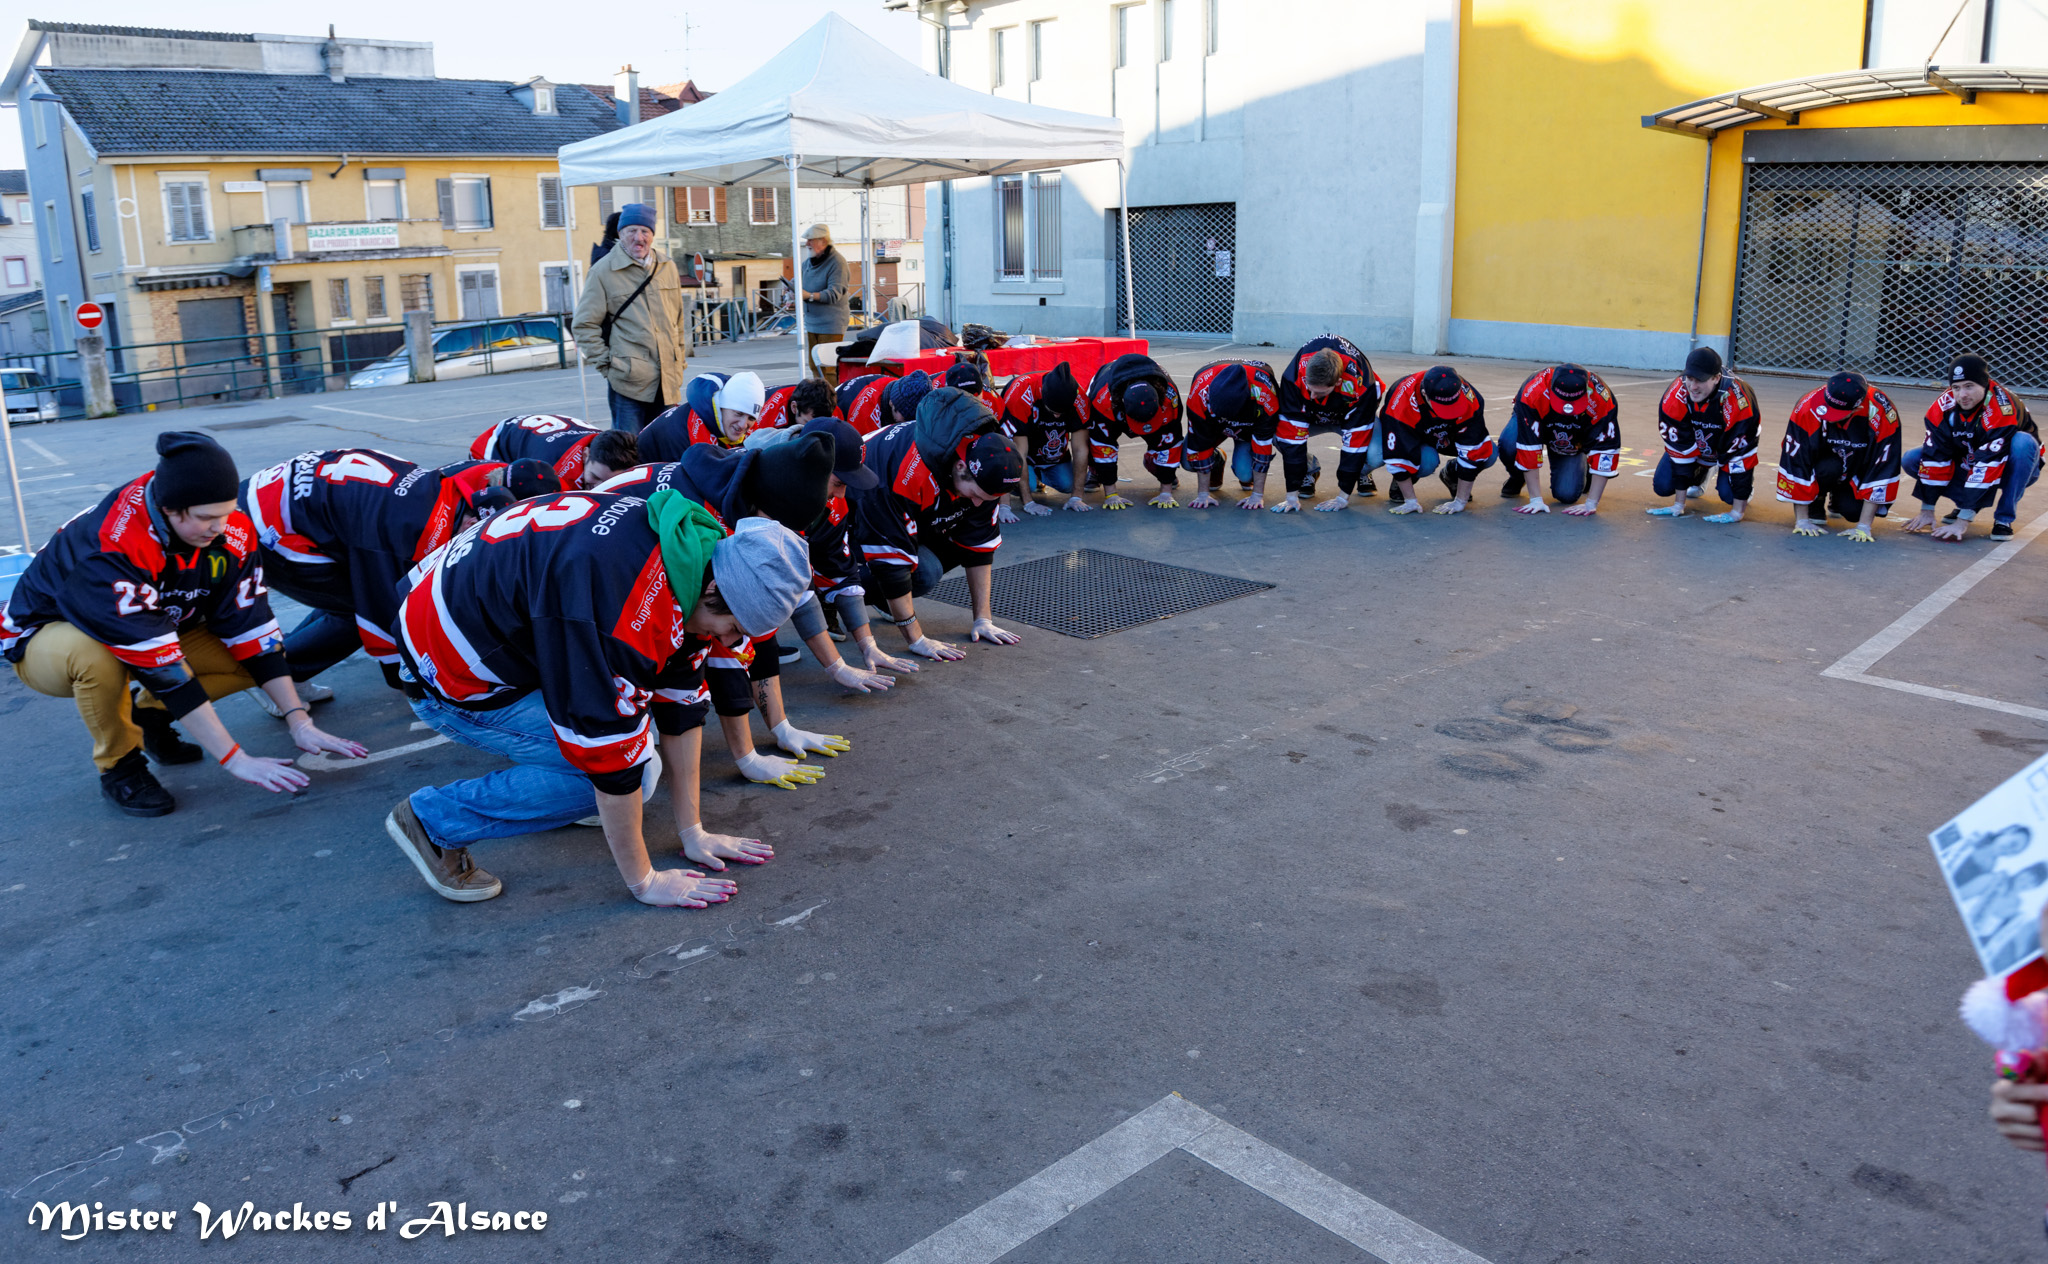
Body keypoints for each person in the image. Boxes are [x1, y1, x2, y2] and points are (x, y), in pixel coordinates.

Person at [389, 489, 814, 907]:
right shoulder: (621, 610)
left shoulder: (697, 553)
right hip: (448, 670)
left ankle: (554, 786)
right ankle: (433, 820)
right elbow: (610, 757)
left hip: (471, 611)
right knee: (627, 772)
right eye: (737, 627)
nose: (732, 640)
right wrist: (645, 881)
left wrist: (693, 832)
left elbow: (682, 707)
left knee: (632, 748)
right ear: (716, 594)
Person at [1, 433, 365, 816]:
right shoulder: (113, 545)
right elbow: (163, 668)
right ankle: (120, 766)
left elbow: (254, 631)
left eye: (226, 513)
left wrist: (299, 720)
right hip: (47, 636)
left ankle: (151, 716)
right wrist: (235, 758)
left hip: (149, 623)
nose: (220, 528)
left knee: (252, 657)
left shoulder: (229, 527)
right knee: (96, 658)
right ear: (168, 509)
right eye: (206, 518)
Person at [240, 448, 559, 691]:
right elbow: (379, 616)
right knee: (356, 613)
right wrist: (409, 678)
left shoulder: (473, 478)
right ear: (470, 522)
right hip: (268, 525)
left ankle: (282, 661)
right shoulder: (403, 533)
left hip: (281, 492)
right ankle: (274, 676)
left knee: (344, 597)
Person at [851, 387, 1026, 659]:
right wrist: (917, 639)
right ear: (959, 467)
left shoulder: (986, 465)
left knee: (943, 555)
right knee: (912, 573)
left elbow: (979, 546)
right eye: (977, 495)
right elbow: (892, 567)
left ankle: (889, 601)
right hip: (855, 511)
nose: (980, 503)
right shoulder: (905, 477)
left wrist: (983, 619)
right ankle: (829, 595)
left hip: (918, 501)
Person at [570, 202, 685, 434]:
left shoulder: (668, 267)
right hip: (628, 384)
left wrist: (680, 360)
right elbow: (584, 325)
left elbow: (679, 320)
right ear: (620, 234)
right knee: (628, 452)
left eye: (645, 231)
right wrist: (609, 366)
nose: (638, 238)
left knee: (666, 447)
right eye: (631, 231)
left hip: (669, 381)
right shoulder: (603, 271)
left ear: (652, 235)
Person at [1902, 355, 2041, 543]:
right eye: (1956, 388)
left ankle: (2003, 519)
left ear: (1984, 384)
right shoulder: (1942, 406)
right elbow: (1934, 456)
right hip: (1970, 459)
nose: (1962, 395)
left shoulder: (2002, 406)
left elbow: (1990, 462)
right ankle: (1963, 503)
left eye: (1969, 386)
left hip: (2013, 466)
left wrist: (1962, 521)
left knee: (2022, 442)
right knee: (1912, 458)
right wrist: (1927, 509)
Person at [1777, 371, 1902, 543]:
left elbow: (1882, 468)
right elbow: (1796, 461)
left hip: (1858, 469)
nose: (1829, 415)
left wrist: (1864, 527)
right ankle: (1816, 501)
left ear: (1857, 408)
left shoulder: (1882, 412)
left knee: (1854, 513)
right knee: (1826, 469)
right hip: (1825, 466)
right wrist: (1802, 521)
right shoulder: (1808, 406)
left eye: (1836, 413)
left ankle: (1838, 498)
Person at [1647, 346, 1763, 524]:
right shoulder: (1675, 396)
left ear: (1716, 378)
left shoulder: (1740, 400)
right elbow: (1680, 449)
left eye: (1700, 381)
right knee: (1663, 486)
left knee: (1731, 495)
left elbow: (1741, 453)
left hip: (1727, 448)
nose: (1693, 387)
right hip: (1698, 444)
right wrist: (1679, 505)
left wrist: (1737, 513)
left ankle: (1733, 480)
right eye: (1689, 378)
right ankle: (1702, 473)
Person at [1274, 337, 1384, 513]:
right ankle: (1307, 470)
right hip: (1312, 417)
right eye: (1309, 388)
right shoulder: (1293, 377)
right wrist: (1291, 497)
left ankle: (1361, 472)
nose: (1311, 395)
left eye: (1319, 392)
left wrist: (1342, 497)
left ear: (1338, 383)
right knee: (1278, 434)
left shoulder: (1362, 385)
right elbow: (1291, 439)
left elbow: (1356, 443)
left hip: (1347, 417)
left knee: (1377, 454)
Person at [1498, 363, 1622, 516]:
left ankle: (1586, 463)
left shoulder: (1602, 399)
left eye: (1574, 403)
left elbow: (1607, 449)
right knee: (1509, 443)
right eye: (1563, 401)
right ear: (1550, 388)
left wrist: (1591, 503)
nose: (1567, 408)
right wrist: (1535, 499)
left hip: (1574, 434)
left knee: (1567, 495)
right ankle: (1518, 476)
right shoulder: (1533, 391)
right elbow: (1528, 444)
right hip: (1540, 419)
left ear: (1587, 392)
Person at [1374, 366, 1497, 515]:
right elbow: (1397, 455)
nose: (1450, 412)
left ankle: (1452, 473)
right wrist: (1410, 501)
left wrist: (1460, 501)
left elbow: (1474, 449)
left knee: (1489, 453)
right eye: (1443, 408)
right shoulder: (1400, 405)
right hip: (1417, 438)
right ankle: (1404, 482)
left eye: (1454, 406)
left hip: (1447, 434)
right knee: (1427, 462)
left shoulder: (1469, 395)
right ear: (1425, 394)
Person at [1084, 353, 1185, 509]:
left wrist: (1166, 491)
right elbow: (1102, 445)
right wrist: (1111, 494)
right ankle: (1096, 472)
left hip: (1150, 392)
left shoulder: (1170, 399)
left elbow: (1171, 442)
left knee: (1166, 444)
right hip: (1108, 386)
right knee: (1090, 437)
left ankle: (1164, 473)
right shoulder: (1102, 401)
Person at [1182, 360, 1283, 510]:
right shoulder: (1199, 395)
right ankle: (1216, 460)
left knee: (1246, 474)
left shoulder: (1265, 395)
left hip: (1248, 430)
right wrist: (1203, 494)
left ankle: (1307, 467)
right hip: (1214, 427)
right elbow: (1199, 444)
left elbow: (1262, 447)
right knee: (1189, 462)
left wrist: (1257, 495)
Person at [994, 361, 1091, 516]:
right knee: (1029, 486)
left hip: (1052, 451)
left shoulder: (1080, 398)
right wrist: (1029, 503)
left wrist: (1077, 497)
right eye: (1053, 411)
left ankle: (1043, 475)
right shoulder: (1020, 395)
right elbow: (1018, 452)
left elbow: (1081, 449)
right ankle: (1031, 479)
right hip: (1026, 450)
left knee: (1068, 485)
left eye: (1061, 413)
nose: (1057, 416)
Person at [470, 415, 639, 490]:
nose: (600, 487)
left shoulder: (608, 445)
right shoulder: (557, 473)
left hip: (537, 435)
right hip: (493, 445)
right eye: (595, 478)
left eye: (609, 481)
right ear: (585, 455)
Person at [637, 370, 768, 463]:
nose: (743, 425)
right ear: (721, 407)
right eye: (738, 413)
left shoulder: (712, 418)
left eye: (751, 418)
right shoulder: (686, 430)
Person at [799, 223, 851, 382]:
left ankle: (830, 400)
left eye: (810, 240)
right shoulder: (809, 261)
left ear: (823, 241)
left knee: (827, 367)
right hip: (812, 322)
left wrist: (809, 296)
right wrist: (791, 289)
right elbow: (799, 280)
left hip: (831, 323)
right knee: (814, 364)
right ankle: (819, 396)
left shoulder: (837, 262)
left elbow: (834, 293)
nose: (807, 244)